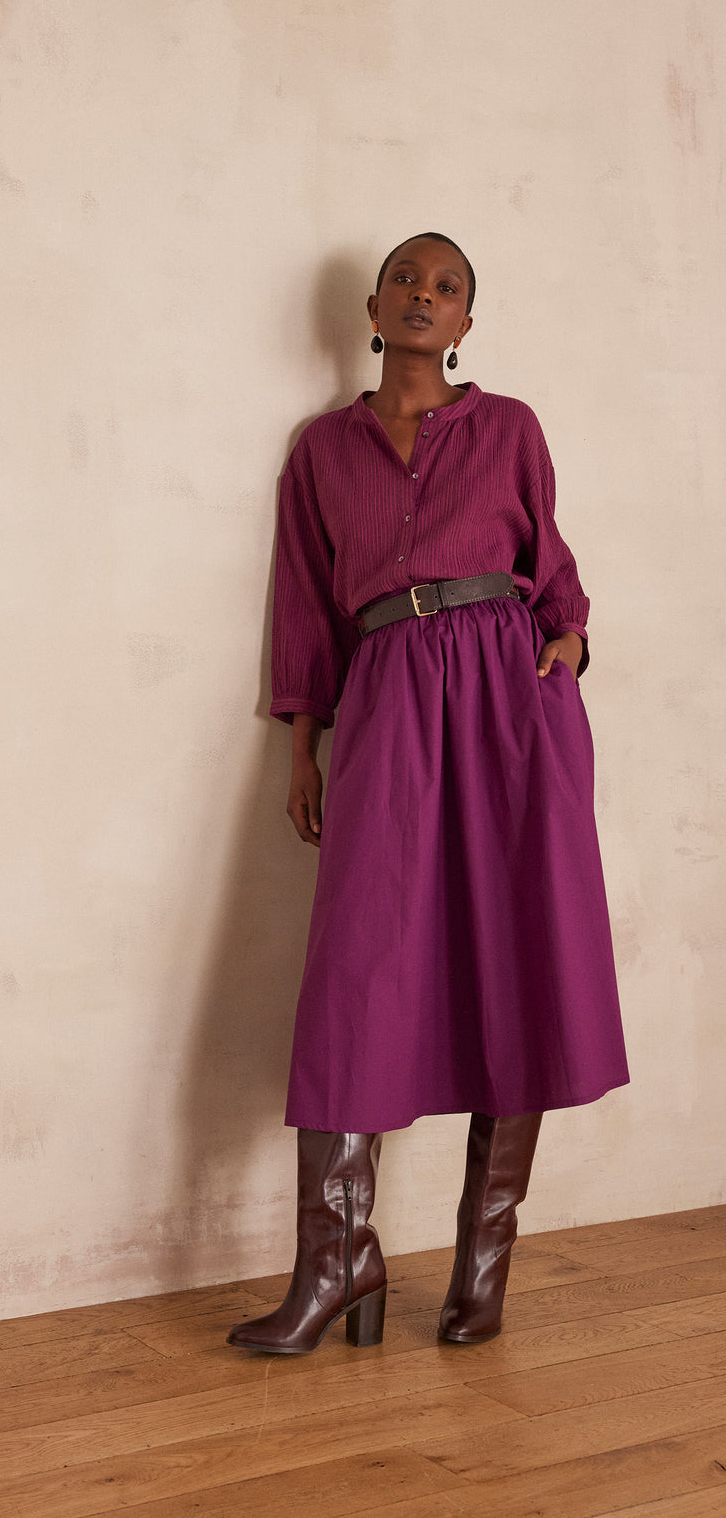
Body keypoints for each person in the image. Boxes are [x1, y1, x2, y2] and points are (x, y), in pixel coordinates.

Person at [227, 233, 630, 1356]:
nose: (422, 293)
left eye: (446, 286)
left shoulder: (510, 429)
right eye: (405, 278)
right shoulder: (321, 450)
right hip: (388, 691)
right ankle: (338, 1258)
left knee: (517, 953)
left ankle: (483, 1260)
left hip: (511, 697)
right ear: (373, 308)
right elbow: (305, 607)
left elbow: (553, 569)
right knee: (358, 970)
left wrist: (568, 643)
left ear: (465, 325)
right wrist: (303, 747)